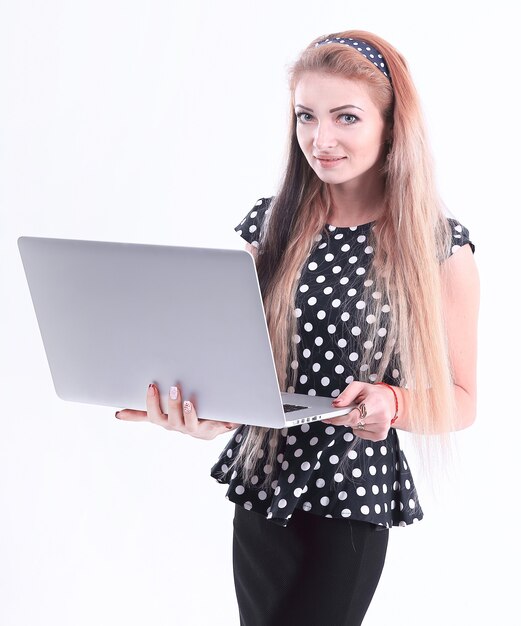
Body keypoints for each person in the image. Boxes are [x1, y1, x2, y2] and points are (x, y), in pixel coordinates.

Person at [115, 29, 479, 626]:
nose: (321, 138)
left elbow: (462, 401)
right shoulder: (272, 226)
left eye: (347, 117)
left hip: (351, 490)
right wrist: (203, 414)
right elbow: (239, 366)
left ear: (392, 126)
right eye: (306, 116)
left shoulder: (436, 246)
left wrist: (392, 400)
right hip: (264, 479)